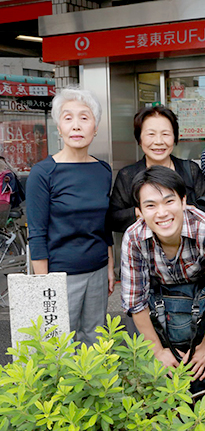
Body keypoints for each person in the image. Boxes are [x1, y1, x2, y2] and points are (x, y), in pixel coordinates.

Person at [27, 87, 114, 347]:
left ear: (95, 127)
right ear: (59, 127)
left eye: (84, 118)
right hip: (59, 274)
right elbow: (37, 233)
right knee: (61, 345)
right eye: (68, 118)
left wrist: (110, 266)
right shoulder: (43, 173)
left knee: (95, 341)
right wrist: (44, 286)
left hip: (97, 270)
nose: (76, 125)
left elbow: (104, 224)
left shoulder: (103, 170)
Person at [120, 165, 205, 393]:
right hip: (158, 319)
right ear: (139, 212)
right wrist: (157, 351)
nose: (162, 213)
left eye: (169, 202)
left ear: (183, 201)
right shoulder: (134, 237)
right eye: (150, 205)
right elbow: (135, 301)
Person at [108, 105, 205, 233]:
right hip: (143, 249)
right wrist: (140, 212)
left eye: (165, 134)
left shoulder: (190, 170)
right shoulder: (127, 175)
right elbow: (113, 218)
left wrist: (180, 211)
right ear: (139, 139)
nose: (159, 141)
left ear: (175, 137)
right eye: (151, 134)